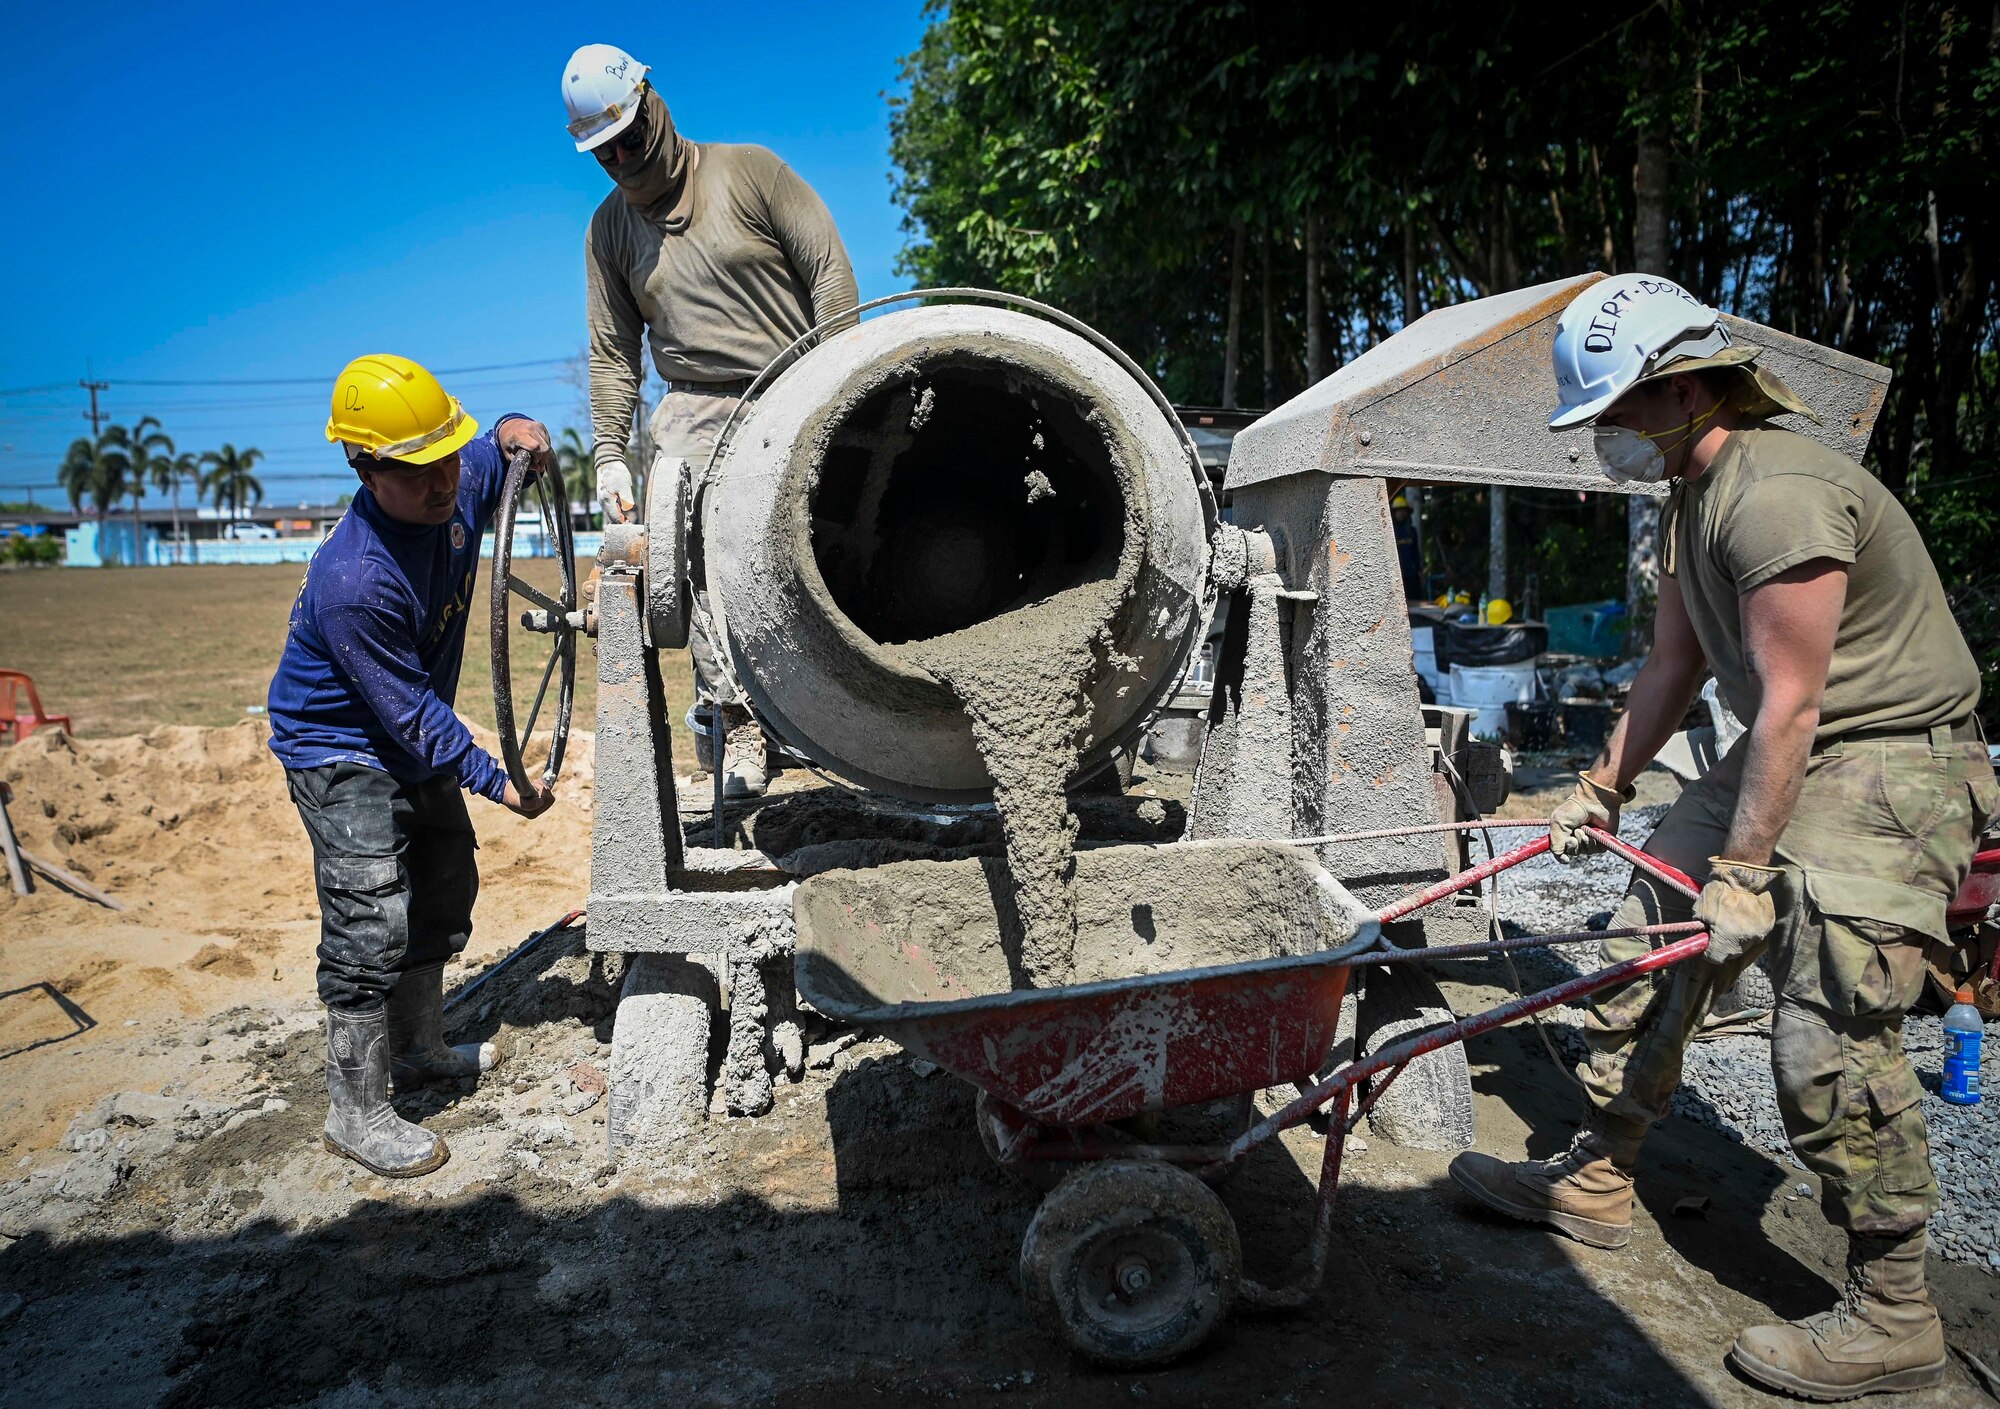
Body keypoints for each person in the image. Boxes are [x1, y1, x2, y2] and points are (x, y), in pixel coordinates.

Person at [1448, 274, 1993, 1400]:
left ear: (1687, 387)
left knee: (1824, 1026)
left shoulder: (1778, 492)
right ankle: (1597, 1174)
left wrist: (1743, 874)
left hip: (1890, 760)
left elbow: (1789, 700)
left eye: (1617, 407)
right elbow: (1673, 663)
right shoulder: (1689, 499)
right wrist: (1601, 787)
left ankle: (1895, 1313)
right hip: (1793, 743)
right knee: (1643, 938)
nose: (1604, 431)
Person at [269, 355, 557, 1178]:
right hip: (341, 745)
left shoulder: (452, 479)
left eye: (446, 459)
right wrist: (501, 780)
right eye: (416, 471)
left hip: (406, 728)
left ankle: (421, 1045)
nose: (441, 484)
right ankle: (354, 1111)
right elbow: (415, 719)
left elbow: (495, 445)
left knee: (441, 881)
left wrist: (513, 432)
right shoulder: (354, 580)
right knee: (369, 917)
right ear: (364, 467)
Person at [565, 42, 860, 797]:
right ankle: (739, 726)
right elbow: (611, 354)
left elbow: (828, 272)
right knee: (690, 544)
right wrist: (607, 456)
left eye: (630, 138)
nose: (624, 160)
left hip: (794, 384)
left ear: (652, 100)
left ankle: (863, 705)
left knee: (839, 535)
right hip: (694, 408)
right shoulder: (609, 234)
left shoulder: (750, 172)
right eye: (605, 154)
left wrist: (842, 388)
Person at [1391, 492, 1424, 600]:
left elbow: (1415, 553)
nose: (1401, 514)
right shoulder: (1390, 532)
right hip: (1396, 576)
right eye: (1399, 511)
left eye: (1403, 511)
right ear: (1394, 513)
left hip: (1411, 575)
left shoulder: (1412, 531)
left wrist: (1419, 571)